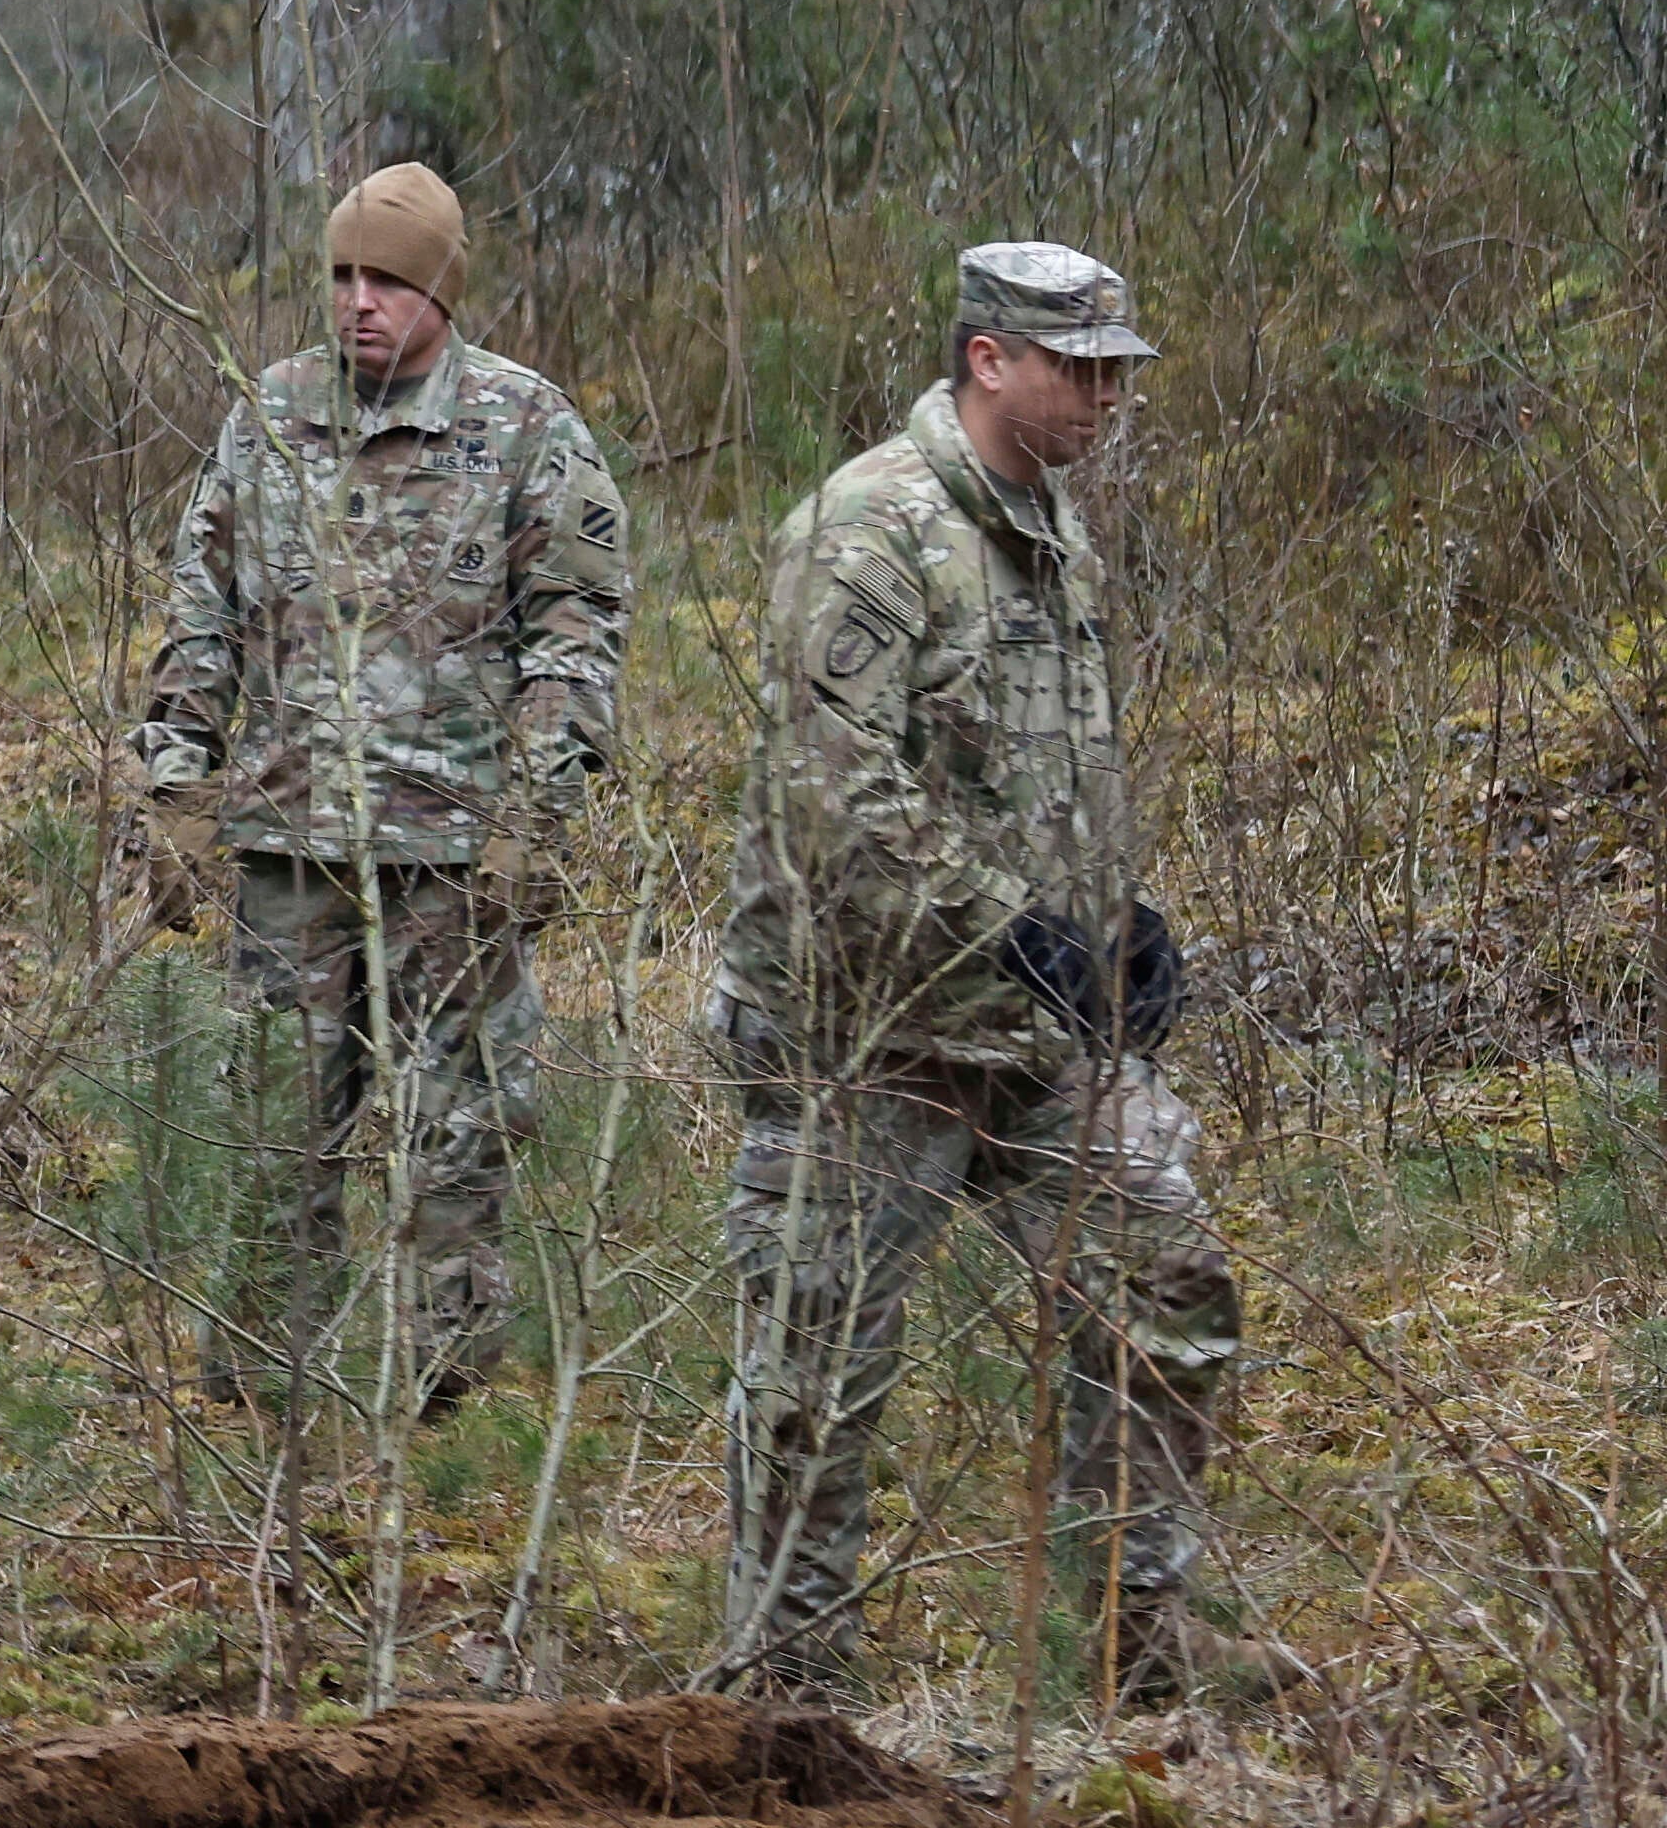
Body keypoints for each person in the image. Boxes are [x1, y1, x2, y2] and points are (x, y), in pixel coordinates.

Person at [711, 240, 1265, 1713]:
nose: (1102, 399)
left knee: (1168, 1280)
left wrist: (1121, 915)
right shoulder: (869, 531)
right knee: (815, 1381)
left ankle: (1129, 1653)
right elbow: (836, 803)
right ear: (987, 361)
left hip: (1028, 1031)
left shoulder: (1050, 526)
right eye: (1076, 370)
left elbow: (1043, 767)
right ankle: (788, 1698)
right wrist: (1021, 923)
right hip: (863, 1028)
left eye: (1115, 373)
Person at [132, 162, 630, 1422]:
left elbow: (574, 637)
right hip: (285, 853)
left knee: (453, 1142)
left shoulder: (525, 428)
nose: (358, 303)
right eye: (342, 276)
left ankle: (444, 1414)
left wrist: (535, 818)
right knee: (267, 1136)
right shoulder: (270, 415)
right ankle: (257, 1415)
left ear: (441, 291)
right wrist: (177, 784)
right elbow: (204, 611)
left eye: (388, 281)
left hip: (450, 862)